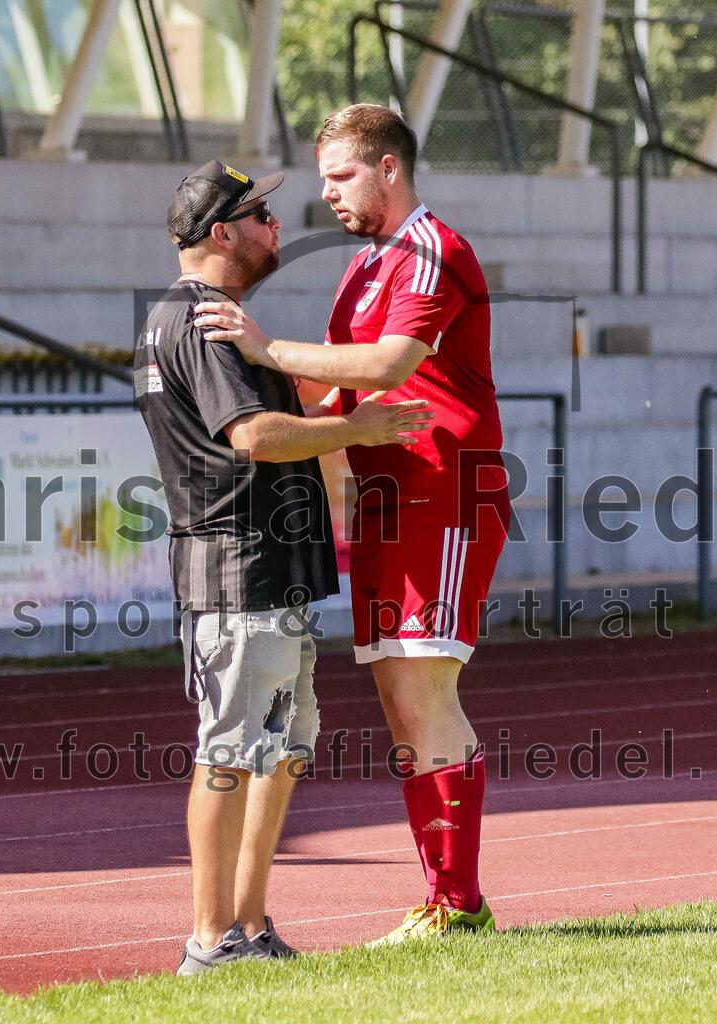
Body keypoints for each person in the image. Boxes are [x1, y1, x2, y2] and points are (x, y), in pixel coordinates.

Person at [193, 105, 511, 943]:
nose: (328, 193)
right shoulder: (366, 266)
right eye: (326, 178)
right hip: (381, 501)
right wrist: (229, 403)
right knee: (399, 702)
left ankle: (457, 904)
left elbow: (387, 365)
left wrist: (266, 350)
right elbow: (337, 390)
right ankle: (446, 902)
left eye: (342, 176)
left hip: (444, 494)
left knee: (422, 692)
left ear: (388, 169)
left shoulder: (433, 250)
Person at [135, 159, 434, 974]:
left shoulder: (198, 316)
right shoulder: (202, 318)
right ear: (222, 233)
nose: (276, 226)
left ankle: (248, 925)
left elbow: (269, 422)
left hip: (261, 567)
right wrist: (359, 430)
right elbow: (255, 437)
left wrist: (343, 404)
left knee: (279, 747)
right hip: (240, 568)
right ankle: (210, 940)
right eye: (260, 217)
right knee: (231, 752)